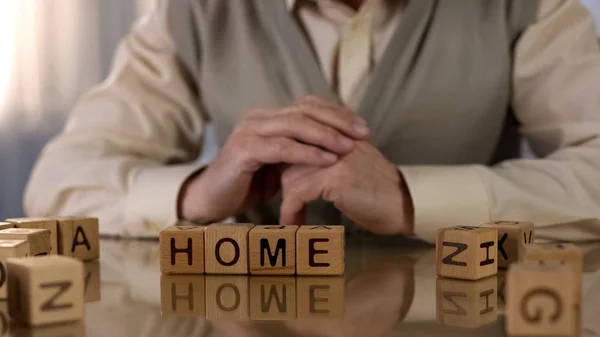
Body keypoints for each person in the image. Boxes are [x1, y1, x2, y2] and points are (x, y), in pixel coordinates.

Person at [24, 0, 600, 242]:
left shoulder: (531, 5)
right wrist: (198, 192)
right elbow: (58, 185)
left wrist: (410, 199)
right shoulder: (194, 9)